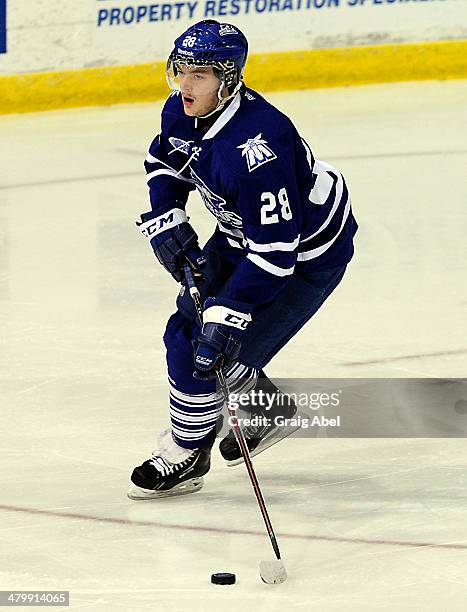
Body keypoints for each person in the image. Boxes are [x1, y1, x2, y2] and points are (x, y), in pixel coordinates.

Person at [128, 19, 357, 500]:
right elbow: (165, 163)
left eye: (200, 75)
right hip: (240, 238)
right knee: (185, 333)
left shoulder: (256, 151)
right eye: (180, 71)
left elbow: (277, 252)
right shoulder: (181, 110)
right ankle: (264, 411)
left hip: (305, 258)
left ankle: (185, 455)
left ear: (228, 80)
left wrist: (229, 314)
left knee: (212, 352)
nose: (184, 86)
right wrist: (166, 215)